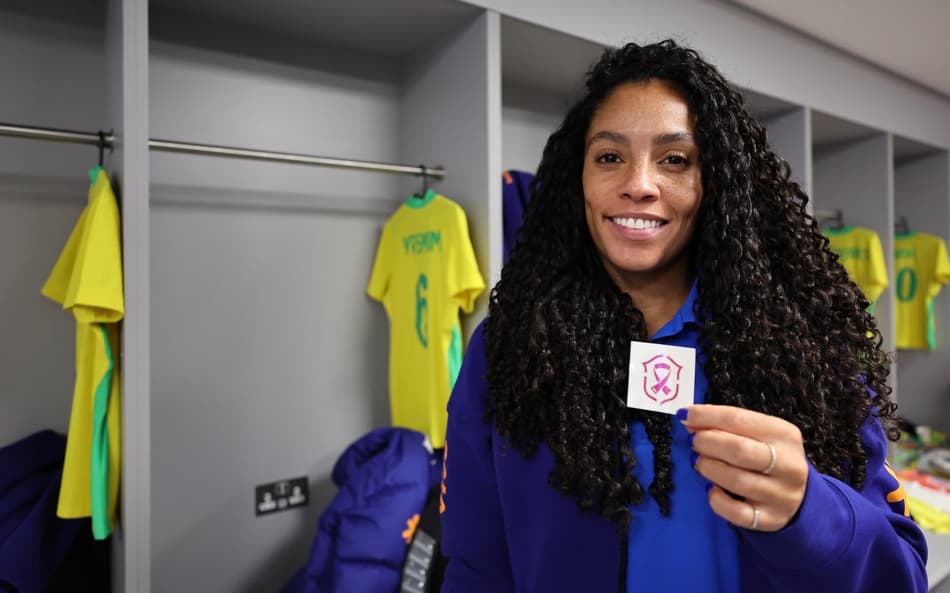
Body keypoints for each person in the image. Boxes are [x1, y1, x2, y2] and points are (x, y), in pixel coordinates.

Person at [438, 40, 928, 593]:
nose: (639, 183)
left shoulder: (801, 345)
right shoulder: (507, 348)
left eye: (675, 159)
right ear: (577, 180)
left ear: (714, 181)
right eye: (609, 156)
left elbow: (902, 573)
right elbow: (475, 565)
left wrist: (809, 512)